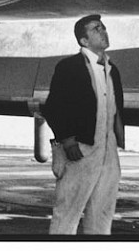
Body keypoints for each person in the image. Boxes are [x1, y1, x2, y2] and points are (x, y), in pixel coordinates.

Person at [41, 14, 125, 235]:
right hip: (80, 149)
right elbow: (53, 107)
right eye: (97, 29)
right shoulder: (69, 67)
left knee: (102, 214)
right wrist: (67, 139)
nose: (104, 31)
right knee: (67, 211)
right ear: (84, 41)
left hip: (107, 150)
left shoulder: (111, 69)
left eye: (104, 27)